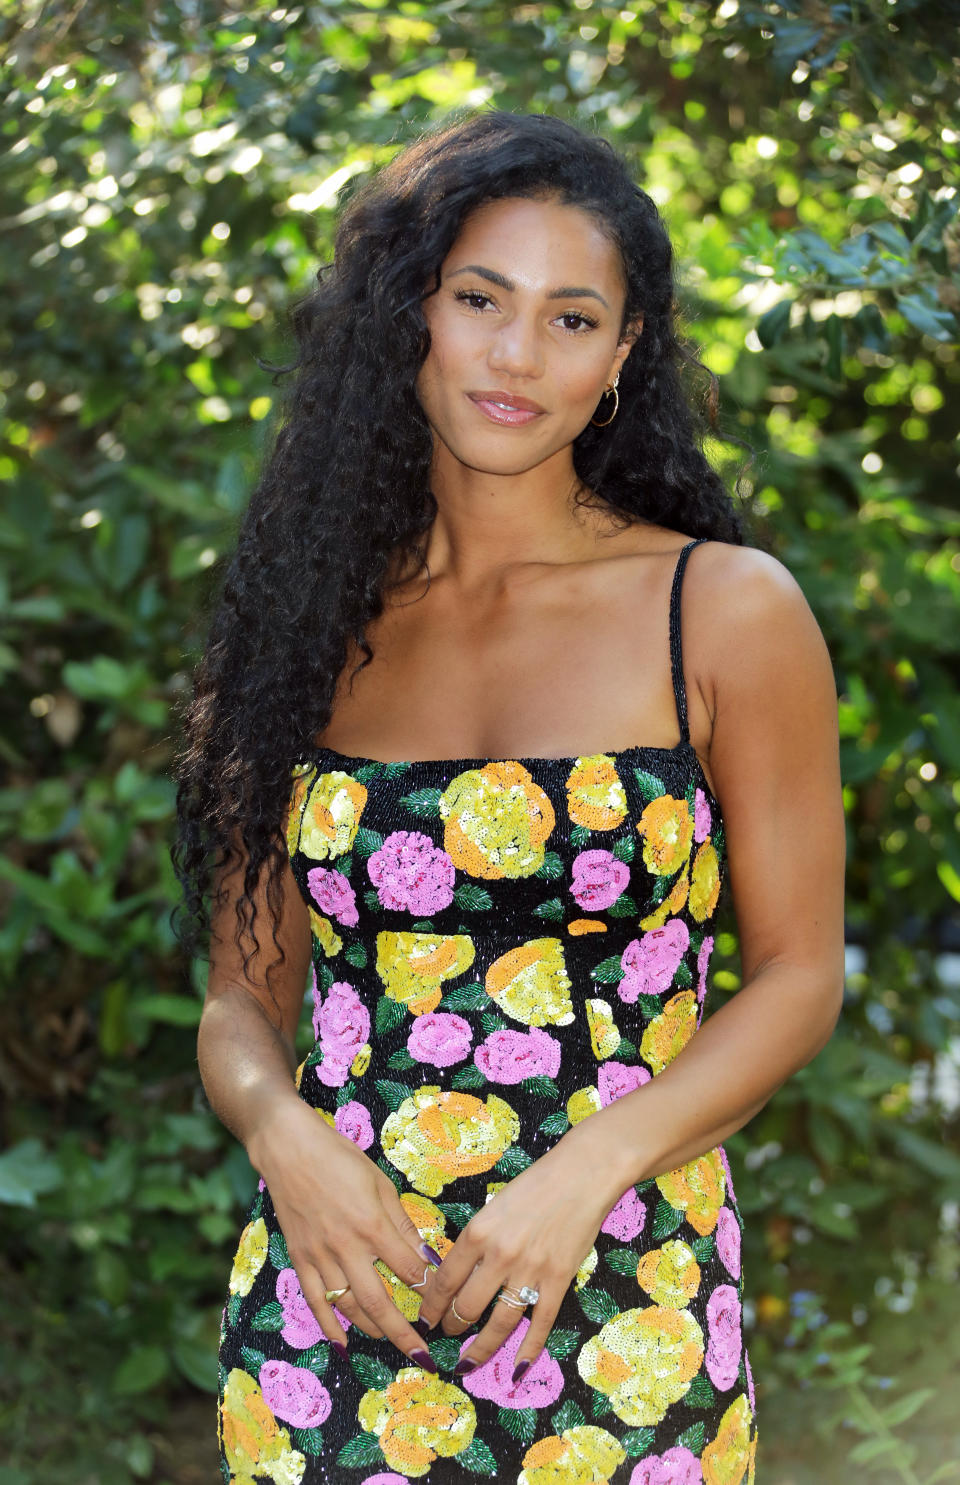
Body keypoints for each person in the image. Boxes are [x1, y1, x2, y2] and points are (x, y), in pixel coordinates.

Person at [173, 109, 846, 1485]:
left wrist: (578, 1177)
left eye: (569, 316)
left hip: (627, 1296)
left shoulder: (720, 610)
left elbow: (797, 977)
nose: (515, 354)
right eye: (480, 298)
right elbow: (243, 1001)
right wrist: (281, 1132)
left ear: (622, 353)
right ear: (410, 312)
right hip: (333, 1311)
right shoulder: (305, 628)